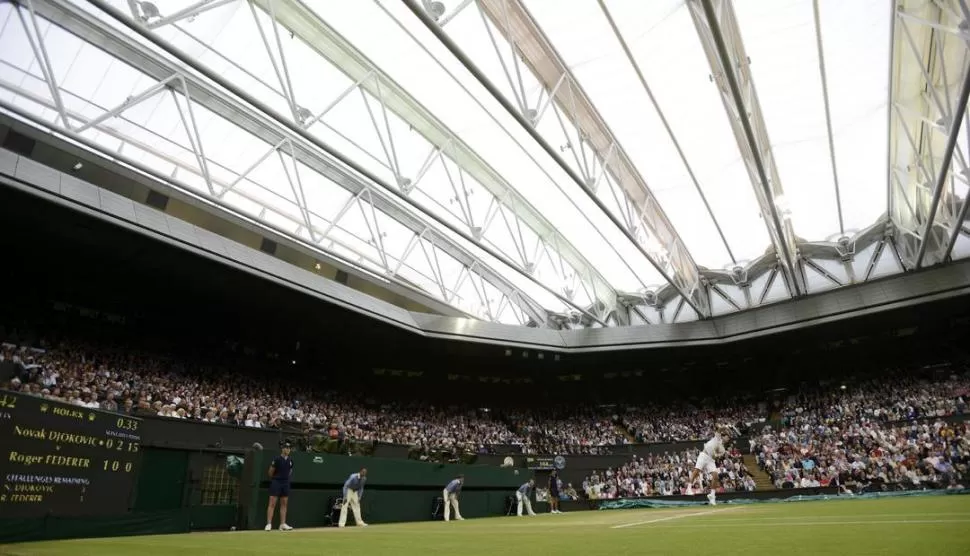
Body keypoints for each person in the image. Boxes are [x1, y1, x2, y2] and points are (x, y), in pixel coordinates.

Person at [686, 427, 726, 505]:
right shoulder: (717, 438)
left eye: (728, 438)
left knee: (716, 476)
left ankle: (712, 495)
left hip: (711, 460)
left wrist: (716, 455)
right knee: (697, 471)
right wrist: (725, 427)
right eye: (726, 436)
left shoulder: (723, 449)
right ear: (723, 436)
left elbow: (717, 457)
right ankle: (689, 488)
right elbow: (719, 429)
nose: (727, 438)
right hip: (704, 455)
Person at [265, 442, 294, 531]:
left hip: (285, 483)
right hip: (276, 482)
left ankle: (282, 524)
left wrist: (285, 479)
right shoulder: (277, 459)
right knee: (272, 503)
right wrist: (277, 478)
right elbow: (270, 472)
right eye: (286, 448)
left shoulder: (291, 461)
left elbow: (290, 472)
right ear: (282, 449)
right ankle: (269, 524)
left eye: (289, 448)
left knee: (284, 504)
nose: (287, 450)